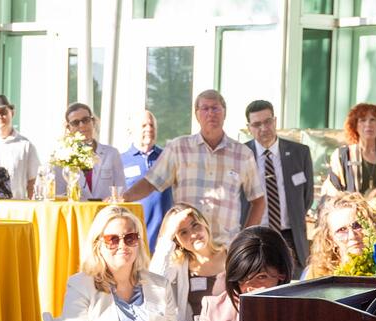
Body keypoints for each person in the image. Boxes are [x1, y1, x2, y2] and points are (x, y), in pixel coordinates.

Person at [120, 90, 265, 246]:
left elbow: (258, 201)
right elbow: (151, 183)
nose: (211, 113)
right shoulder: (178, 148)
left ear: (224, 113)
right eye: (205, 108)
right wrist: (123, 198)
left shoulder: (243, 154)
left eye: (215, 108)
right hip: (186, 248)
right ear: (197, 115)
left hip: (226, 249)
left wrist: (244, 240)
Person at [242, 100, 314, 272]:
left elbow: (307, 197)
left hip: (291, 237)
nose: (264, 128)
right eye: (257, 124)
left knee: (293, 289)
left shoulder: (300, 153)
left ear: (275, 121)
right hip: (256, 237)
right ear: (249, 128)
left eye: (267, 122)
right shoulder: (240, 154)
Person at [151, 204, 223, 321]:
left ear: (204, 223)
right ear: (177, 241)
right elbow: (155, 283)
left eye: (195, 225)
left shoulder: (232, 253)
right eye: (183, 232)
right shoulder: (178, 265)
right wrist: (168, 235)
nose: (194, 234)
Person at [324, 103, 376, 195]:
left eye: (373, 120)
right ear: (355, 126)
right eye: (363, 120)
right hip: (349, 208)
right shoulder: (342, 155)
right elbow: (332, 190)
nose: (368, 124)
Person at [120, 110, 171, 246]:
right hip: (133, 235)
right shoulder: (120, 161)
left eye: (152, 125)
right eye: (143, 126)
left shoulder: (168, 157)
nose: (148, 129)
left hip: (164, 236)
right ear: (131, 130)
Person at [61, 103, 126, 200]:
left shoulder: (111, 154)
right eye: (75, 122)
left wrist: (114, 199)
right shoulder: (62, 158)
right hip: (76, 213)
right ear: (68, 128)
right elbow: (56, 196)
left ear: (93, 122)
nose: (82, 125)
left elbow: (121, 190)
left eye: (86, 120)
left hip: (106, 212)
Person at [302, 192, 373, 279]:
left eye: (357, 225)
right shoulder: (317, 274)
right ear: (330, 238)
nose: (352, 236)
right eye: (342, 230)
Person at [0, 94, 39, 198]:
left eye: (3, 112)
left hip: (17, 209)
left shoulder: (25, 145)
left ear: (12, 113)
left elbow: (33, 182)